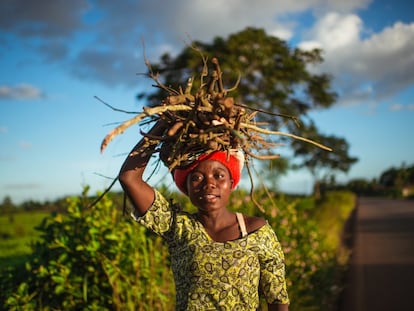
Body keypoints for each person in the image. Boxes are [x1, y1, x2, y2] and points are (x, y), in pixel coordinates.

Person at [119, 121, 289, 310]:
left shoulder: (257, 231)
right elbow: (129, 178)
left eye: (219, 176)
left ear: (232, 182)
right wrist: (161, 126)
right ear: (187, 187)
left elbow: (277, 298)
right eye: (197, 178)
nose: (209, 184)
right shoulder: (177, 227)